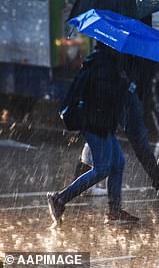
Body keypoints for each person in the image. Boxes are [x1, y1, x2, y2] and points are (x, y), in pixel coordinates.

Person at [47, 42, 138, 225]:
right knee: (102, 169)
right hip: (95, 124)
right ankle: (60, 199)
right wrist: (124, 85)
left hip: (102, 123)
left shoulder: (105, 61)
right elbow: (103, 97)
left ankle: (114, 211)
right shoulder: (105, 65)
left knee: (118, 163)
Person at [73, 54, 159, 193]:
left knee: (102, 131)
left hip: (122, 89)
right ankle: (158, 178)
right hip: (125, 92)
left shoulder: (117, 46)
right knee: (135, 136)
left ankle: (83, 184)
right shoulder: (125, 48)